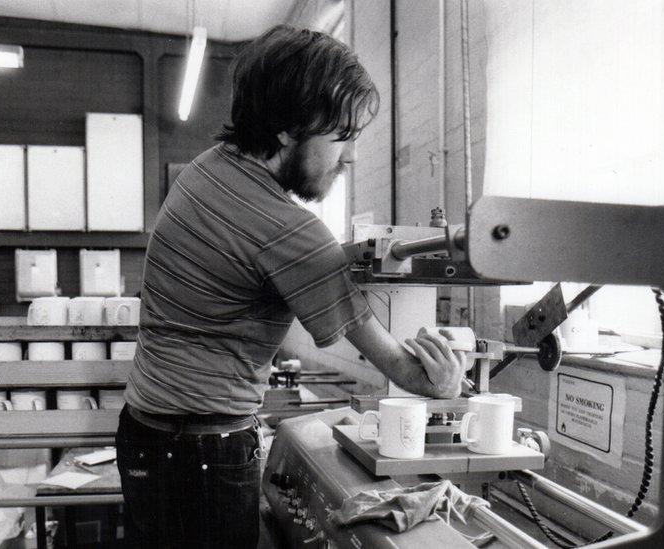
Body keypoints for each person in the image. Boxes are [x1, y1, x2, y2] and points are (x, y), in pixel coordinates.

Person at [116, 25, 469, 548]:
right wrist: (445, 380)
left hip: (145, 434)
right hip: (204, 456)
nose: (348, 159)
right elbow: (400, 367)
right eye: (341, 137)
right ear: (286, 129)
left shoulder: (202, 173)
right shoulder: (292, 231)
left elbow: (250, 269)